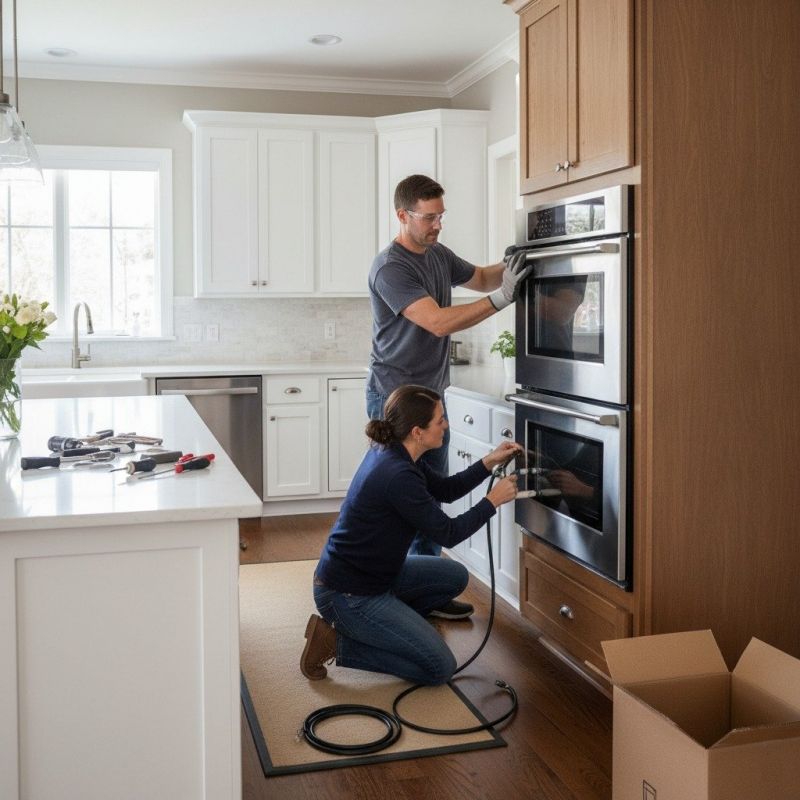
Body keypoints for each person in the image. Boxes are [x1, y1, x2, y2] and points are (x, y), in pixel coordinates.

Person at [366, 174, 531, 618]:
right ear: (403, 216)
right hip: (395, 398)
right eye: (428, 217)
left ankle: (426, 593)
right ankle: (387, 592)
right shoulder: (391, 267)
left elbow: (479, 277)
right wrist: (503, 298)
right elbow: (437, 322)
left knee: (431, 497)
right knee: (401, 502)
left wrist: (516, 260)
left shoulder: (437, 254)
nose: (437, 225)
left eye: (441, 216)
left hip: (431, 394)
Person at [300, 384, 521, 686]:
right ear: (418, 431)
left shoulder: (398, 453)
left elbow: (446, 489)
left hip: (378, 576)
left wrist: (489, 462)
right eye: (440, 420)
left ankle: (391, 625)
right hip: (348, 595)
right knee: (439, 667)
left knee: (455, 575)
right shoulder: (398, 475)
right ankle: (337, 643)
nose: (446, 425)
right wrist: (492, 501)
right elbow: (449, 533)